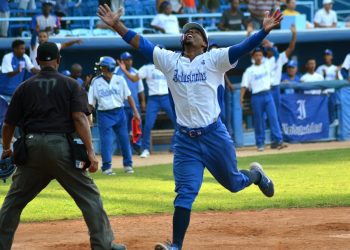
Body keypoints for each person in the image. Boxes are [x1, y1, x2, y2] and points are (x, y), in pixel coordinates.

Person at [98, 4, 282, 250]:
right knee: (185, 193)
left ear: (204, 43)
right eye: (186, 30)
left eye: (195, 30)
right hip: (186, 141)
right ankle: (176, 245)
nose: (189, 32)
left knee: (234, 184)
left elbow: (243, 47)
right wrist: (116, 25)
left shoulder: (214, 59)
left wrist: (263, 32)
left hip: (214, 135)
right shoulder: (170, 61)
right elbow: (141, 44)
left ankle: (257, 176)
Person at [0, 42, 126, 250]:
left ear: (38, 61)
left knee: (13, 202)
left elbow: (8, 124)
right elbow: (79, 118)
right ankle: (103, 245)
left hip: (31, 149)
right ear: (58, 60)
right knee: (89, 197)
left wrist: (6, 148)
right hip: (61, 149)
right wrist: (91, 153)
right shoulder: (71, 84)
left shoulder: (24, 87)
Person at [89, 56, 140, 175]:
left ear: (108, 68)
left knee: (124, 139)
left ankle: (128, 165)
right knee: (106, 141)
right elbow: (91, 103)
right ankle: (106, 167)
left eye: (103, 67)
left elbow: (128, 96)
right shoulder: (96, 81)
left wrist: (135, 112)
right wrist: (89, 117)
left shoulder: (120, 79)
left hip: (119, 112)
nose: (100, 68)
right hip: (104, 114)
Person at [241, 47, 286, 151]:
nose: (258, 57)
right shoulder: (249, 70)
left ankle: (278, 140)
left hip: (268, 94)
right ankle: (260, 143)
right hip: (256, 96)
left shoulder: (267, 64)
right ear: (253, 57)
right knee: (259, 120)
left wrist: (269, 47)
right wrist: (241, 98)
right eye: (256, 55)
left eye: (260, 55)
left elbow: (277, 56)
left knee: (273, 117)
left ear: (262, 56)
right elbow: (244, 85)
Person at [137, 46, 176, 158]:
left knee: (178, 122)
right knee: (149, 124)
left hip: (166, 97)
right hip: (153, 98)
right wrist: (125, 70)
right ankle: (146, 149)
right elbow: (135, 78)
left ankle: (175, 146)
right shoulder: (147, 67)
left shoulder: (168, 66)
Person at [115, 52, 145, 154]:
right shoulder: (115, 72)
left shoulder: (135, 72)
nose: (129, 61)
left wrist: (143, 102)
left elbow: (140, 89)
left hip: (134, 105)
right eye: (127, 60)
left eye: (130, 59)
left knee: (136, 127)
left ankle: (138, 147)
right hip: (121, 105)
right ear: (122, 61)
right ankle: (122, 149)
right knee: (122, 129)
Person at [0, 39, 39, 103]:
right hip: (4, 95)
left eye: (24, 48)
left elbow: (33, 70)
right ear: (15, 49)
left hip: (16, 94)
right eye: (22, 49)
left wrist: (46, 71)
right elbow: (8, 74)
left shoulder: (25, 57)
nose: (24, 50)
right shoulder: (7, 57)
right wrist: (18, 71)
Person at [316, 49, 342, 125]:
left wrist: (337, 72)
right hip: (323, 93)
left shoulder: (335, 68)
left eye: (328, 55)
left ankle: (333, 126)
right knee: (323, 112)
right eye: (325, 55)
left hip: (333, 92)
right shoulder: (320, 68)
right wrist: (324, 75)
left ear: (331, 56)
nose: (327, 57)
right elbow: (318, 82)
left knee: (333, 111)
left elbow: (339, 82)